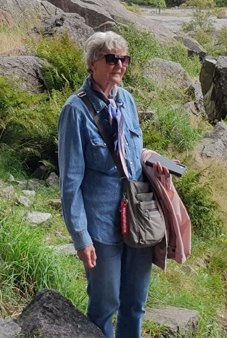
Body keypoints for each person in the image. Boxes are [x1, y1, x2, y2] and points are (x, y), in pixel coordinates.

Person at [58, 31, 167, 338]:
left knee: (136, 303)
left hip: (138, 217)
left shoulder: (127, 100)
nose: (119, 65)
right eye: (111, 59)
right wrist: (81, 237)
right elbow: (69, 183)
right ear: (93, 64)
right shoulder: (74, 111)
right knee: (105, 304)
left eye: (124, 59)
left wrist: (151, 160)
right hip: (100, 223)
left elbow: (132, 153)